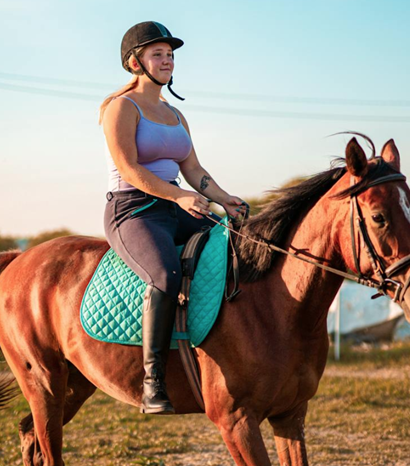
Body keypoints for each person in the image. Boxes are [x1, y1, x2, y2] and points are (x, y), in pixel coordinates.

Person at [99, 21, 247, 415]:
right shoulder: (121, 108)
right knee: (164, 276)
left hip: (175, 204)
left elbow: (194, 169)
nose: (167, 61)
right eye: (158, 55)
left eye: (170, 55)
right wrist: (181, 195)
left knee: (237, 249)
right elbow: (129, 169)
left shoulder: (176, 114)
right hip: (132, 209)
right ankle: (153, 383)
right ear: (135, 63)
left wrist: (224, 198)